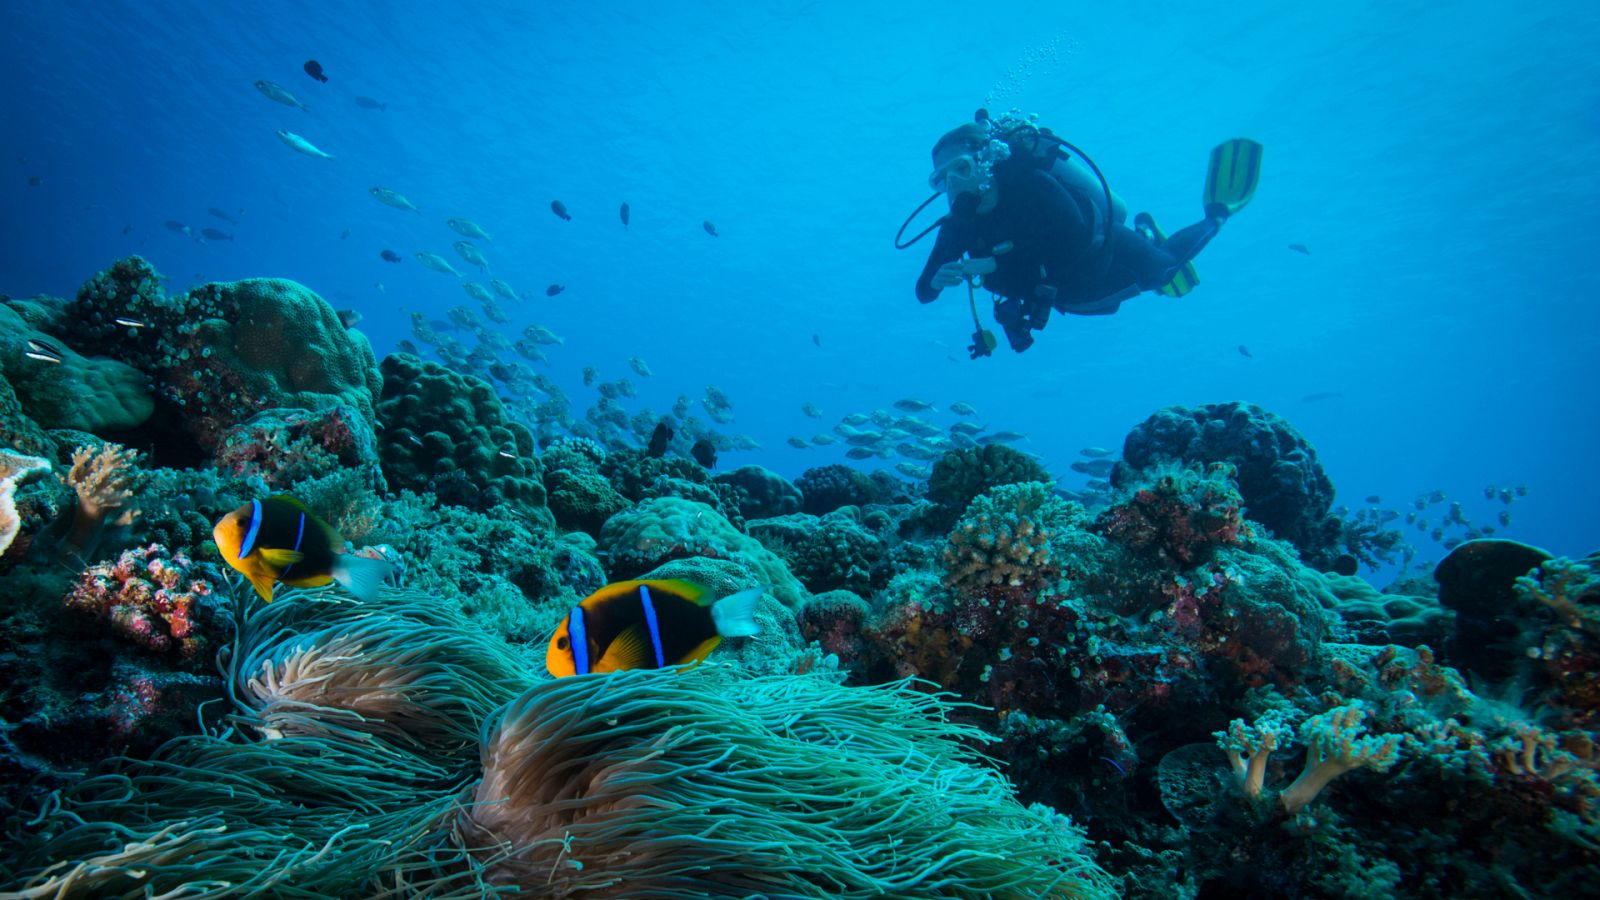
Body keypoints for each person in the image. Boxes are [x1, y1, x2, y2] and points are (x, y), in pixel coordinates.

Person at [911, 112, 1261, 356]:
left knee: (1162, 271)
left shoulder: (1031, 183)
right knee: (1110, 303)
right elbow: (923, 291)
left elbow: (1073, 235)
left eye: (960, 169)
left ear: (985, 160)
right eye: (941, 180)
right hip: (1066, 295)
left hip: (1099, 248)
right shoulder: (958, 224)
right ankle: (1146, 233)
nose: (954, 186)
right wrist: (937, 281)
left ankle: (1216, 216)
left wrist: (993, 264)